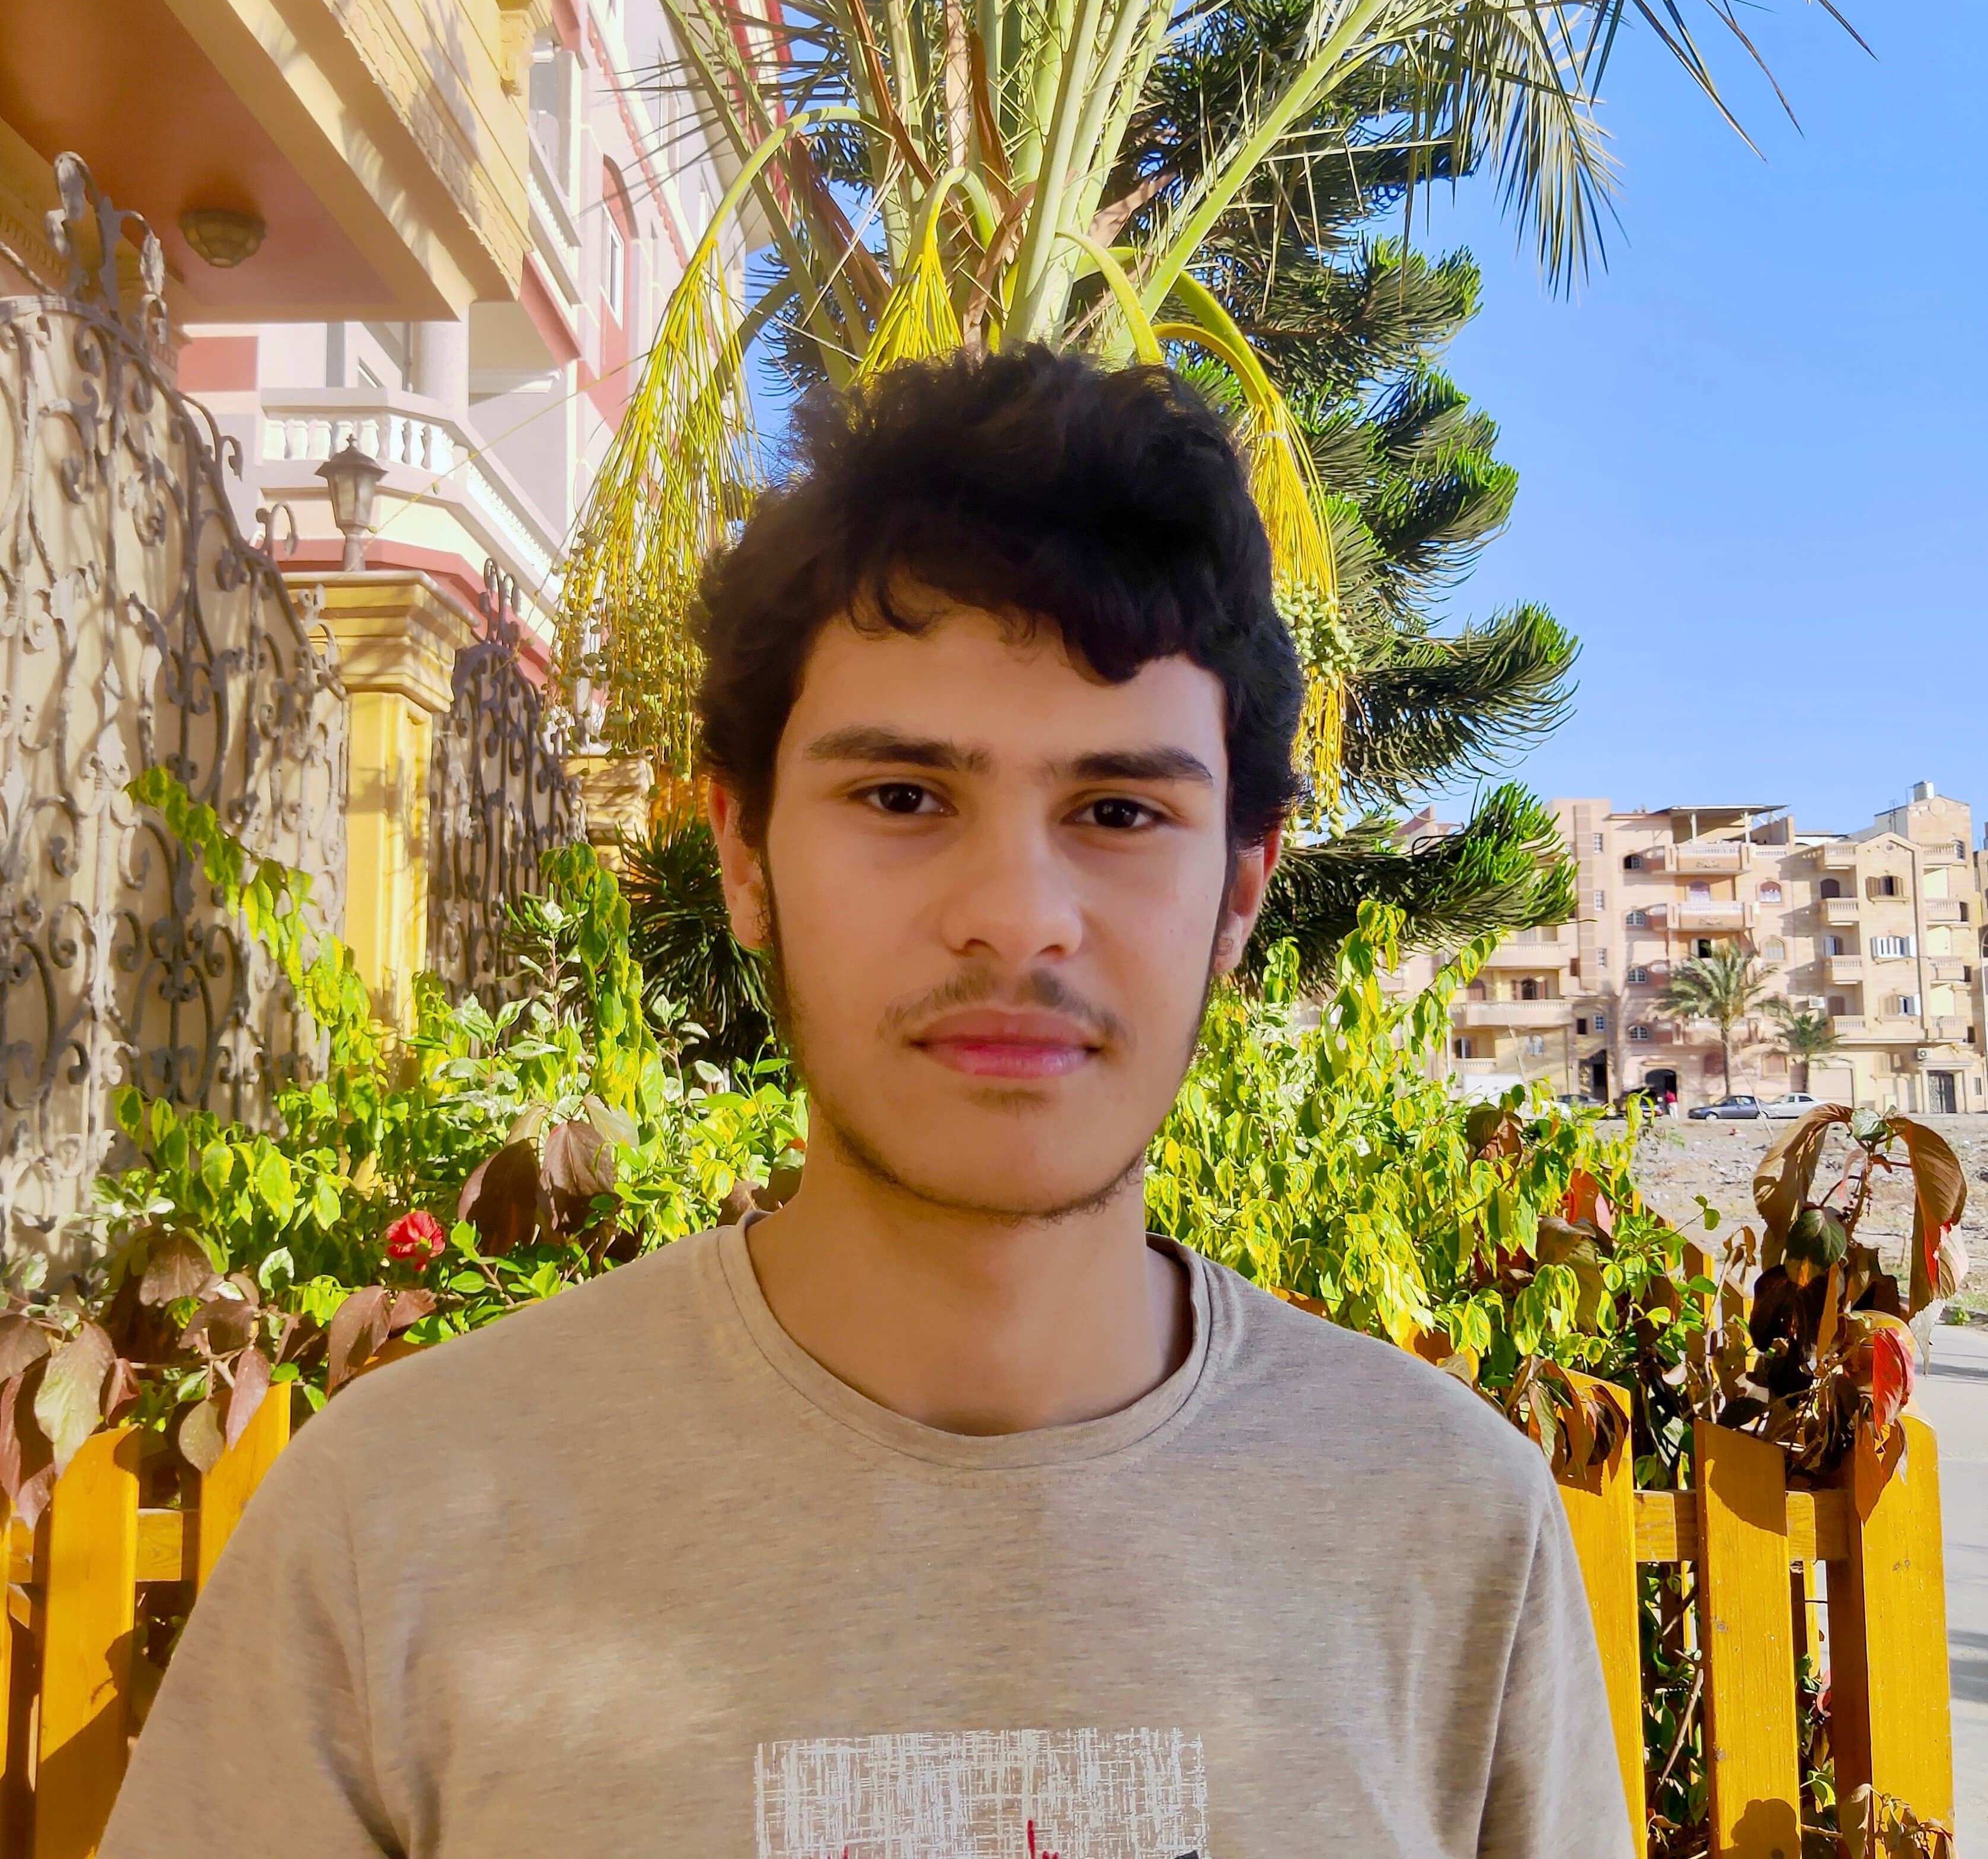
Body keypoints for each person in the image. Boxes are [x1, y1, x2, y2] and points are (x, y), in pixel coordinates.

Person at [107, 345, 1630, 1859]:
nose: (1015, 914)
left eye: (1117, 811)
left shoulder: (1450, 1531)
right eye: (903, 798)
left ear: (1241, 890)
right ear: (745, 852)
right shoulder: (399, 1524)